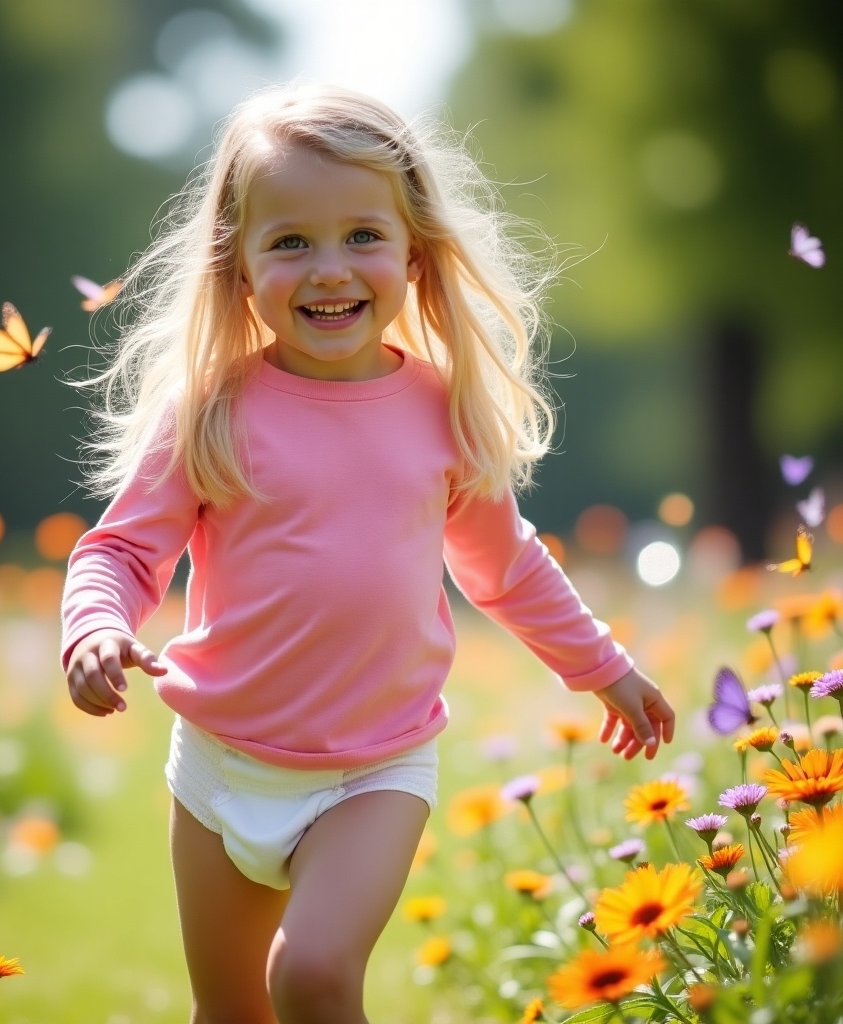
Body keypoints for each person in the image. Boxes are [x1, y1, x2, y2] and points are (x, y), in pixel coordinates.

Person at [60, 83, 675, 1024]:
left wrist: (604, 667)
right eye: (291, 242)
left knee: (310, 976)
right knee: (228, 1012)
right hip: (222, 763)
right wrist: (95, 627)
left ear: (415, 255)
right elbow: (121, 551)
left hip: (375, 768)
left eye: (362, 236)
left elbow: (502, 565)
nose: (329, 269)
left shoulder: (442, 410)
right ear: (239, 268)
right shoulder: (214, 412)